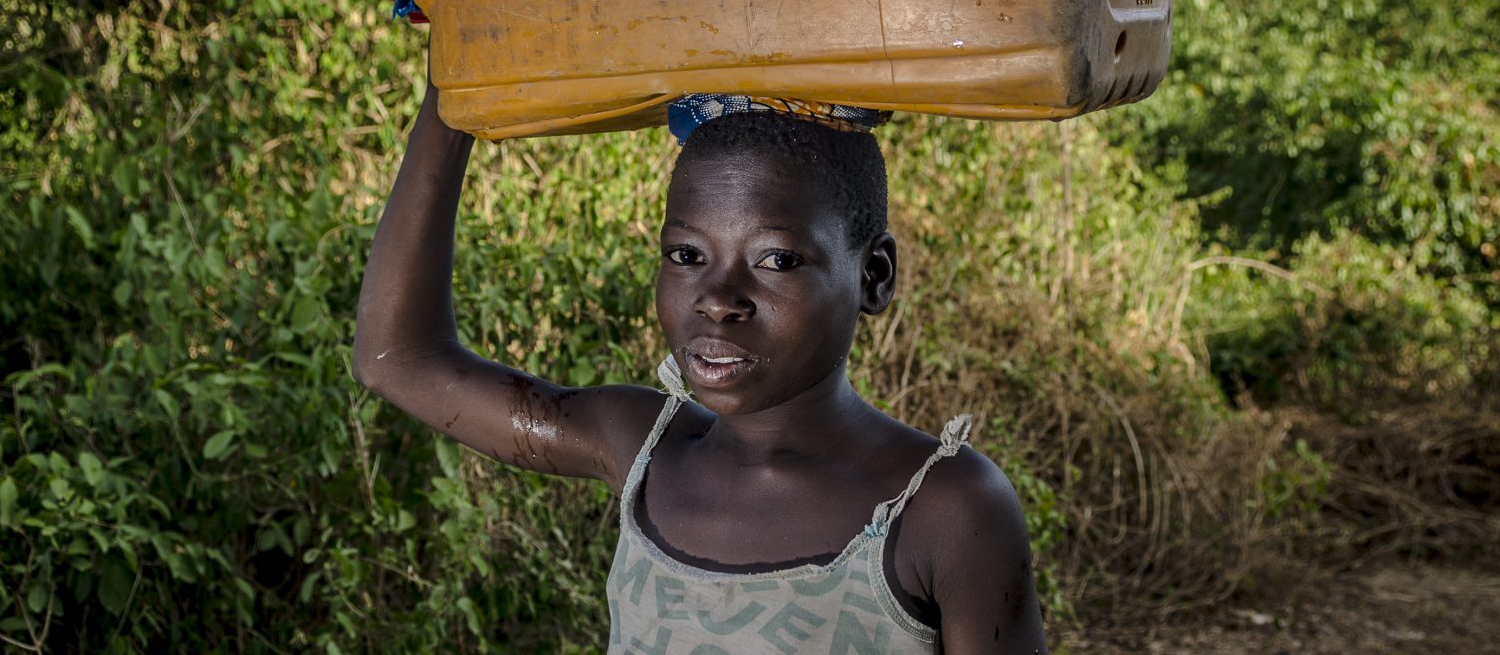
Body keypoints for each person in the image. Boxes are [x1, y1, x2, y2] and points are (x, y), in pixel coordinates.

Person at [352, 82, 1048, 654]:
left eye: (776, 260)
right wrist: (457, 86)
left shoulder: (944, 509)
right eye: (686, 255)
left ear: (874, 276)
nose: (717, 301)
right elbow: (398, 361)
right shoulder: (640, 447)